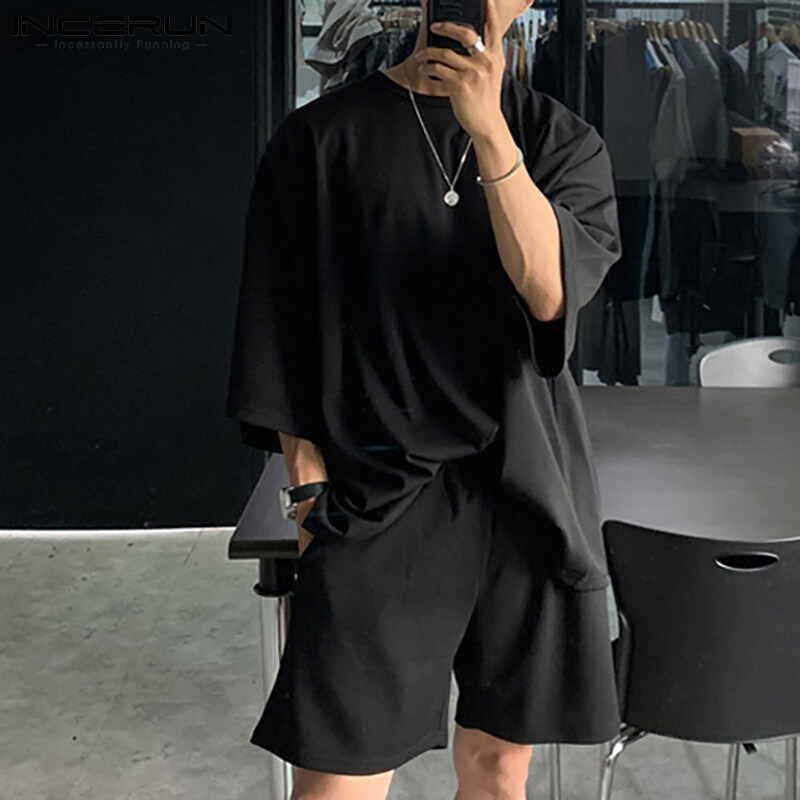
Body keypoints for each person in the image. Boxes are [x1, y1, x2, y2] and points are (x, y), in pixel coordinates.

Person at [225, 0, 623, 797]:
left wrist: (490, 134)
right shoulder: (320, 140)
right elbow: (277, 332)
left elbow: (549, 293)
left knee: (500, 770)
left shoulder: (559, 141)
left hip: (525, 490)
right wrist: (307, 492)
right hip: (372, 491)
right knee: (339, 777)